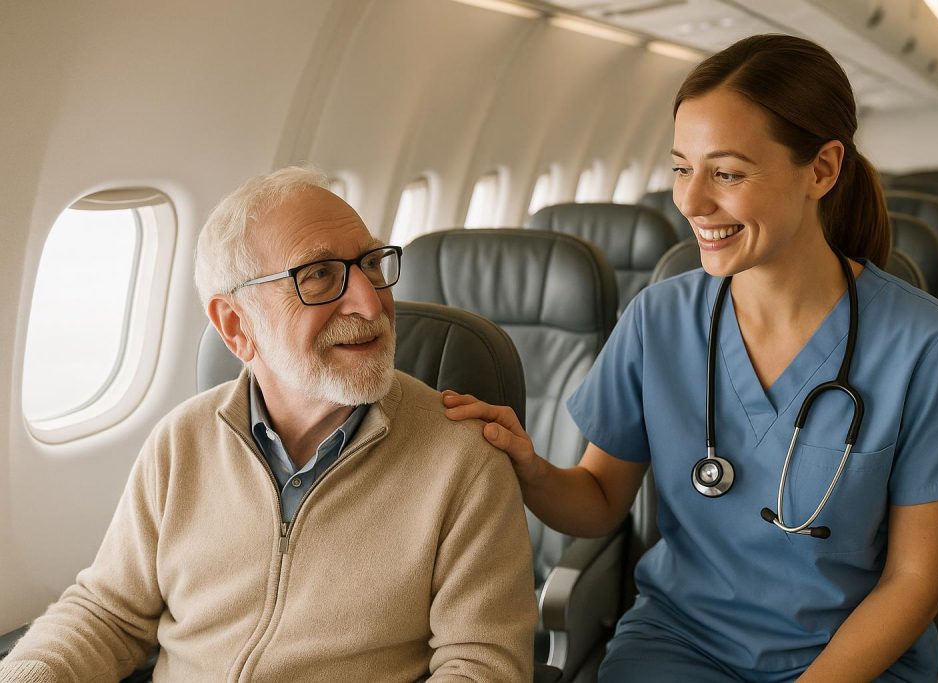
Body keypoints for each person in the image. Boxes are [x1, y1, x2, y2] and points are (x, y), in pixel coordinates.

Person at [444, 35, 938, 682]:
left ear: (823, 170)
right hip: (679, 644)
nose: (690, 202)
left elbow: (914, 582)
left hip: (852, 659)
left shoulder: (928, 345)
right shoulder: (658, 320)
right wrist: (531, 468)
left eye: (727, 173)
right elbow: (601, 500)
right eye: (682, 167)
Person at [0, 167, 536, 682]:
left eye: (372, 263)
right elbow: (108, 613)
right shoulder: (181, 441)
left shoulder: (464, 459)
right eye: (320, 274)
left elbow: (481, 665)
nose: (371, 302)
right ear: (237, 326)